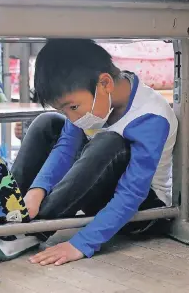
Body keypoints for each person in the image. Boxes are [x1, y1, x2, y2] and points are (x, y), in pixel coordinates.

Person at [11, 39, 177, 266]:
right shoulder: (94, 95)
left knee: (108, 142)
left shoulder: (151, 117)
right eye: (65, 109)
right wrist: (37, 190)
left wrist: (81, 243)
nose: (71, 116)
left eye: (73, 107)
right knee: (47, 123)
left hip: (142, 212)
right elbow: (65, 149)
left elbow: (132, 193)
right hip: (98, 195)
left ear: (105, 83)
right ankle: (10, 208)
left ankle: (30, 230)